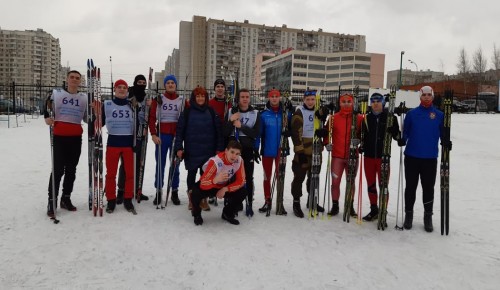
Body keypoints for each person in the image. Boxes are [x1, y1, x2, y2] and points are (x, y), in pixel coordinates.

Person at [398, 85, 452, 232]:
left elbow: (443, 134)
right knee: (410, 188)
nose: (427, 97)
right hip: (412, 157)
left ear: (432, 96)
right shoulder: (412, 114)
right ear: (420, 97)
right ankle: (408, 215)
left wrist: (446, 141)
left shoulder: (439, 115)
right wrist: (402, 139)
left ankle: (427, 216)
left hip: (429, 158)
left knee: (428, 188)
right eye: (424, 95)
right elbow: (406, 132)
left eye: (429, 95)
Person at [44, 70, 88, 217]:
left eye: (77, 78)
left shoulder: (84, 98)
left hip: (75, 138)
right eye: (72, 77)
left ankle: (66, 198)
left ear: (80, 81)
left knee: (71, 170)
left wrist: (94, 112)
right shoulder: (56, 93)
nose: (74, 80)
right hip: (59, 137)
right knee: (57, 170)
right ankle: (52, 201)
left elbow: (88, 118)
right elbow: (47, 106)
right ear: (67, 79)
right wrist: (46, 118)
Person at [175, 86, 223, 210]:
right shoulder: (187, 112)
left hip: (208, 150)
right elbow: (179, 131)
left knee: (205, 176)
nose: (200, 98)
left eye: (202, 96)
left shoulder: (211, 112)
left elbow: (219, 131)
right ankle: (192, 199)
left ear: (206, 98)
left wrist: (219, 148)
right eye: (198, 96)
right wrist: (179, 148)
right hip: (192, 150)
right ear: (194, 98)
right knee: (191, 175)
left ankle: (202, 199)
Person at [360, 93, 400, 221]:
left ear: (383, 103)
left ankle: (383, 210)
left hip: (384, 157)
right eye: (373, 101)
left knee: (383, 185)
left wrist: (395, 131)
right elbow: (362, 137)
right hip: (369, 158)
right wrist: (361, 145)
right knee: (371, 184)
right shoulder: (366, 118)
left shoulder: (390, 118)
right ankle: (374, 209)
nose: (375, 103)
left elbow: (398, 138)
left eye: (378, 101)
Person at [290, 90, 329, 218]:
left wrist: (327, 110)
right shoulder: (299, 112)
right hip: (303, 151)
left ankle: (312, 200)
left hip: (316, 149)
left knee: (314, 177)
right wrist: (299, 152)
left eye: (313, 99)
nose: (310, 102)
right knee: (299, 177)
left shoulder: (319, 111)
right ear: (304, 100)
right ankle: (296, 202)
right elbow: (296, 133)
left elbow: (326, 116)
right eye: (308, 99)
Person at [190, 140, 247, 226]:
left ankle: (227, 213)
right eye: (232, 152)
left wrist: (225, 189)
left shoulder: (239, 161)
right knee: (195, 192)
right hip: (209, 185)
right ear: (226, 150)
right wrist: (215, 180)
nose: (234, 156)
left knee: (242, 192)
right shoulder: (216, 161)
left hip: (223, 186)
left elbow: (241, 181)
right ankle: (197, 214)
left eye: (237, 153)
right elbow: (203, 183)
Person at [224, 88, 261, 216]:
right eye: (242, 97)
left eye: (247, 97)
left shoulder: (255, 113)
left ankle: (249, 202)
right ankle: (234, 202)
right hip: (233, 150)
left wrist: (242, 127)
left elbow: (256, 133)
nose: (245, 99)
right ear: (238, 99)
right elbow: (224, 132)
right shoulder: (231, 111)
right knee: (232, 176)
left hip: (247, 150)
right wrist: (231, 121)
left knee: (248, 178)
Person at [325, 93, 363, 217]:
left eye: (349, 101)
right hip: (337, 157)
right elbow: (326, 133)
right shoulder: (333, 118)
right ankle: (335, 205)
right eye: (343, 101)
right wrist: (327, 143)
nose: (346, 103)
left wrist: (360, 141)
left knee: (350, 182)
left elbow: (364, 135)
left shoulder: (359, 118)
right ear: (339, 103)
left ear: (352, 103)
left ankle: (350, 205)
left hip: (352, 156)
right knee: (335, 183)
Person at [148, 75, 183, 206]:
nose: (170, 85)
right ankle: (158, 191)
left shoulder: (181, 100)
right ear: (164, 85)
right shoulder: (159, 99)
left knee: (175, 164)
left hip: (175, 136)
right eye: (167, 83)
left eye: (172, 83)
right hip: (162, 136)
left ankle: (174, 191)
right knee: (160, 165)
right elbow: (152, 118)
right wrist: (153, 134)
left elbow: (190, 113)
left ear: (175, 85)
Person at [103, 79, 136, 214]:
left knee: (129, 174)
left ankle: (128, 199)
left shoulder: (132, 105)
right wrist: (94, 112)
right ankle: (111, 199)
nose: (122, 89)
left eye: (124, 87)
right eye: (119, 87)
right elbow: (96, 122)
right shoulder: (107, 104)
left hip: (128, 144)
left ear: (127, 90)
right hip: (113, 143)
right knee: (111, 173)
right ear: (115, 90)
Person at [258, 89, 292, 214]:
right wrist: (256, 149)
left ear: (280, 98)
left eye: (276, 96)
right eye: (271, 96)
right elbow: (259, 134)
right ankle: (267, 200)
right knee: (267, 177)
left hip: (281, 149)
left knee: (280, 176)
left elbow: (293, 128)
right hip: (267, 150)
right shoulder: (263, 115)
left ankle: (280, 202)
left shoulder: (286, 113)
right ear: (268, 98)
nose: (274, 98)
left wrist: (289, 131)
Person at [117, 74, 150, 204]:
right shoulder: (128, 95)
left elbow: (150, 114)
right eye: (139, 82)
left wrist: (151, 105)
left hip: (142, 132)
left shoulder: (147, 97)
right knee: (126, 162)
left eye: (143, 82)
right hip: (129, 132)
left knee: (139, 162)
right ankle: (121, 190)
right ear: (135, 83)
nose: (141, 84)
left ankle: (137, 189)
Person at [208, 78, 231, 204]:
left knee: (226, 165)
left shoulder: (229, 103)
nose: (220, 88)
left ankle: (225, 191)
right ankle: (211, 192)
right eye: (218, 86)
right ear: (215, 89)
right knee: (213, 165)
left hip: (227, 136)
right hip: (213, 137)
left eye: (222, 86)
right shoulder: (210, 103)